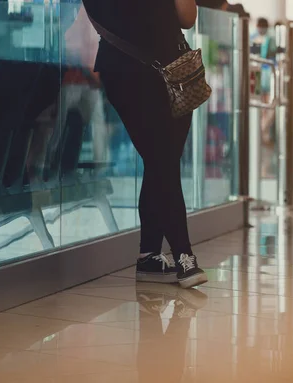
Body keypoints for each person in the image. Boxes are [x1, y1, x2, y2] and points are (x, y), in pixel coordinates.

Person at [81, 0, 208, 288]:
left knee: (159, 160)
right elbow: (187, 16)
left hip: (132, 69)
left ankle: (150, 254)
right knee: (163, 160)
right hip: (164, 66)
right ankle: (183, 255)